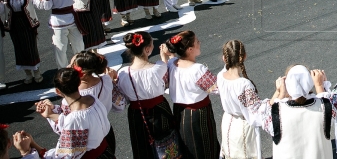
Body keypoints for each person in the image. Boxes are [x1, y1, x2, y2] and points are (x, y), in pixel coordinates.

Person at [22, 68, 114, 158]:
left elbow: (66, 154)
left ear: (58, 91)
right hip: (106, 151)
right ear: (79, 82)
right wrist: (51, 112)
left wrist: (36, 150)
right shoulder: (92, 99)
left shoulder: (74, 118)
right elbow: (76, 124)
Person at [115, 31, 177, 159]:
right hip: (160, 110)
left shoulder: (123, 73)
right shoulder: (158, 68)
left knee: (141, 143)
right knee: (166, 141)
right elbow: (165, 83)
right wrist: (164, 57)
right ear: (147, 49)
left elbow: (123, 97)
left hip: (136, 113)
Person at [33, 0, 99, 68]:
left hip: (72, 20)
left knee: (79, 45)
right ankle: (63, 71)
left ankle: (82, 67)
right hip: (58, 23)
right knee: (60, 49)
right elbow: (46, 7)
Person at [165, 31, 221, 159]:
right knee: (204, 146)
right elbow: (216, 88)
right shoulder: (197, 70)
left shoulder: (172, 64)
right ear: (190, 49)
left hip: (179, 111)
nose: (199, 43)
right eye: (197, 42)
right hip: (198, 114)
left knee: (185, 145)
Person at [217, 40, 263, 159]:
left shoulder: (220, 76)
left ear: (224, 58)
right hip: (242, 127)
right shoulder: (244, 84)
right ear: (244, 57)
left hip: (227, 123)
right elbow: (256, 111)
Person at [0, 0, 42, 84]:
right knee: (19, 49)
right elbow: (2, 10)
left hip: (28, 23)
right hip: (14, 25)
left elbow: (37, 4)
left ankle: (37, 72)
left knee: (31, 48)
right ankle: (28, 74)